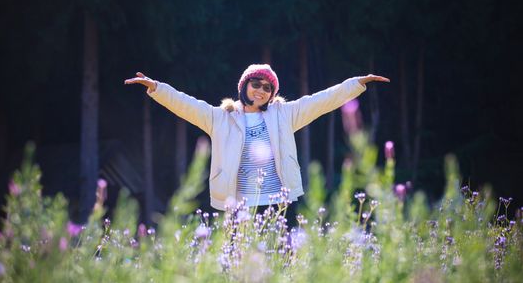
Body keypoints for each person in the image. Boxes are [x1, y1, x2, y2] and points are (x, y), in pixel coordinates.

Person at [124, 64, 389, 212]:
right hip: (236, 204)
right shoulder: (220, 117)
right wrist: (156, 88)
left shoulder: (284, 114)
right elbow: (185, 104)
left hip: (277, 203)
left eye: (267, 87)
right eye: (256, 84)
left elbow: (323, 100)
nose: (261, 90)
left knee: (278, 264)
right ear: (244, 87)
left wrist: (356, 83)